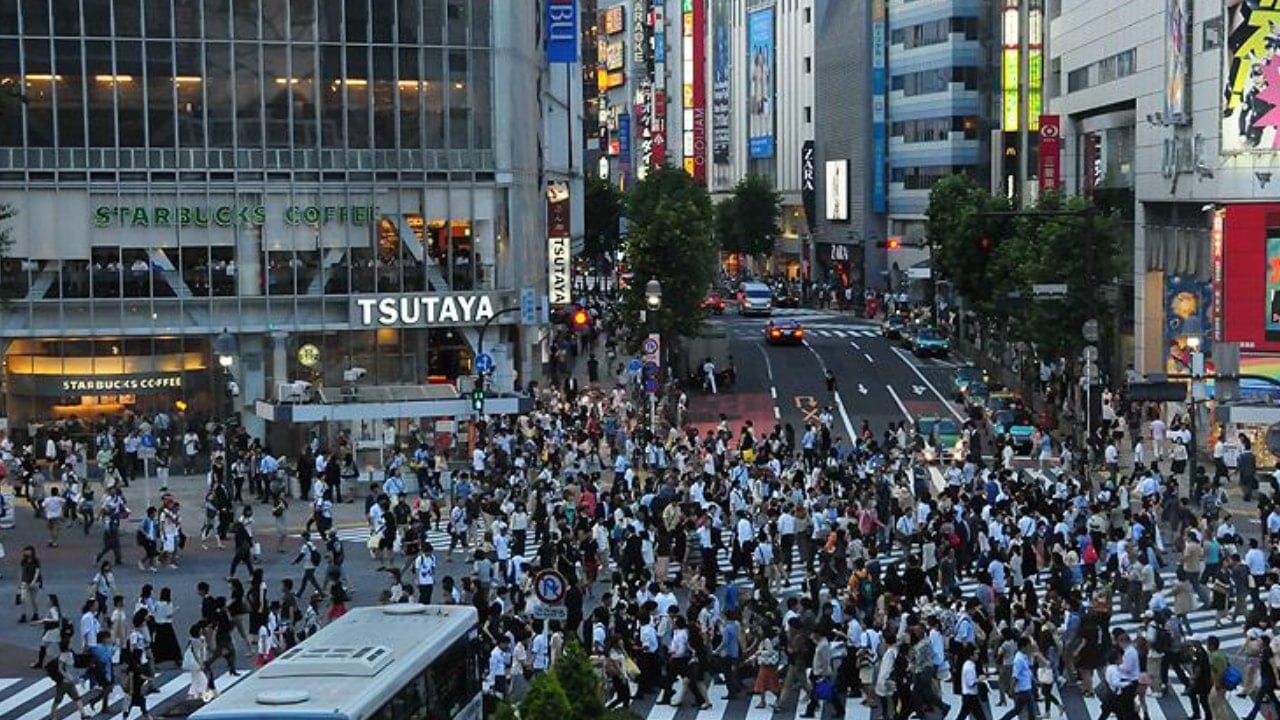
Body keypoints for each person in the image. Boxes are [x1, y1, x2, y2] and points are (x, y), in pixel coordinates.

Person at [47, 636, 91, 720]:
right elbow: (60, 668)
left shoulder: (70, 653)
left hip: (70, 682)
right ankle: (53, 717)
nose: (71, 644)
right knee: (58, 700)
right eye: (70, 643)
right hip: (63, 682)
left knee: (77, 698)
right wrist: (66, 676)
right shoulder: (63, 656)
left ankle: (83, 715)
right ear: (66, 645)